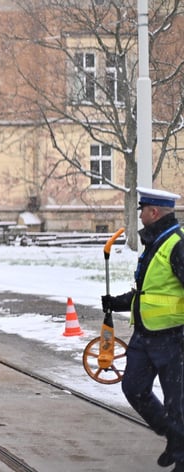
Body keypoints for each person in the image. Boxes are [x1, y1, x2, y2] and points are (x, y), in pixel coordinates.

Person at [101, 187, 184, 471]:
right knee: (133, 388)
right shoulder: (154, 242)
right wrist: (118, 302)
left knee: (177, 403)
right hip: (144, 337)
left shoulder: (176, 245)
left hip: (172, 338)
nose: (140, 215)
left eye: (142, 210)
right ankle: (174, 435)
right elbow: (148, 292)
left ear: (154, 212)